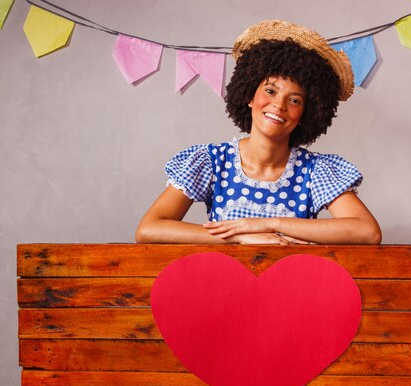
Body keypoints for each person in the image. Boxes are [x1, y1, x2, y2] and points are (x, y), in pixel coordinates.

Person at [136, 20, 381, 245]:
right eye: (271, 91)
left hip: (292, 290)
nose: (279, 106)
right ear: (249, 95)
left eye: (294, 100)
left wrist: (271, 224)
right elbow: (149, 230)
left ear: (305, 114)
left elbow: (367, 232)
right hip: (225, 289)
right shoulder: (211, 161)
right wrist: (240, 237)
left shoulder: (315, 171)